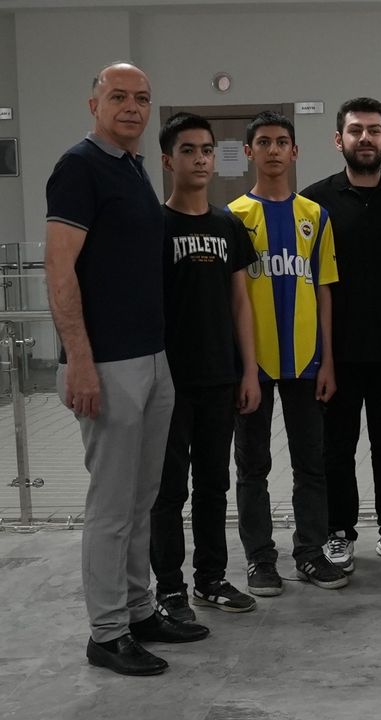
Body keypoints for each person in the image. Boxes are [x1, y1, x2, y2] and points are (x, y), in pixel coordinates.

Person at [45, 62, 207, 677]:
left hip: (152, 358)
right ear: (95, 104)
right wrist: (80, 361)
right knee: (112, 507)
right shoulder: (78, 167)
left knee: (143, 499)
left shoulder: (133, 168)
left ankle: (139, 611)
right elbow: (59, 268)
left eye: (142, 97)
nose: (132, 107)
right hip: (108, 364)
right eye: (119, 96)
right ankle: (107, 632)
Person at [301, 98, 381, 572]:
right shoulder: (314, 203)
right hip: (335, 353)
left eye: (374, 130)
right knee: (336, 446)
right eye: (356, 130)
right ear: (339, 140)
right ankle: (338, 532)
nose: (365, 138)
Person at [150, 112, 261, 623]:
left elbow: (241, 302)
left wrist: (249, 370)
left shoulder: (227, 225)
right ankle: (169, 588)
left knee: (213, 485)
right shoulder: (156, 226)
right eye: (188, 150)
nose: (199, 159)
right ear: (167, 160)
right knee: (169, 489)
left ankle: (211, 578)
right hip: (169, 381)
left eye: (207, 150)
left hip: (220, 377)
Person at [229, 111, 346, 595]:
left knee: (311, 463)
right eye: (264, 142)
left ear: (295, 151)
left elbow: (324, 290)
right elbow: (233, 297)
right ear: (249, 151)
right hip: (253, 365)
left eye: (282, 142)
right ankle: (259, 559)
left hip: (307, 362)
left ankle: (310, 554)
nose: (273, 150)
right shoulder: (233, 216)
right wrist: (242, 369)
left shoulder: (315, 215)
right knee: (253, 466)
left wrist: (328, 361)